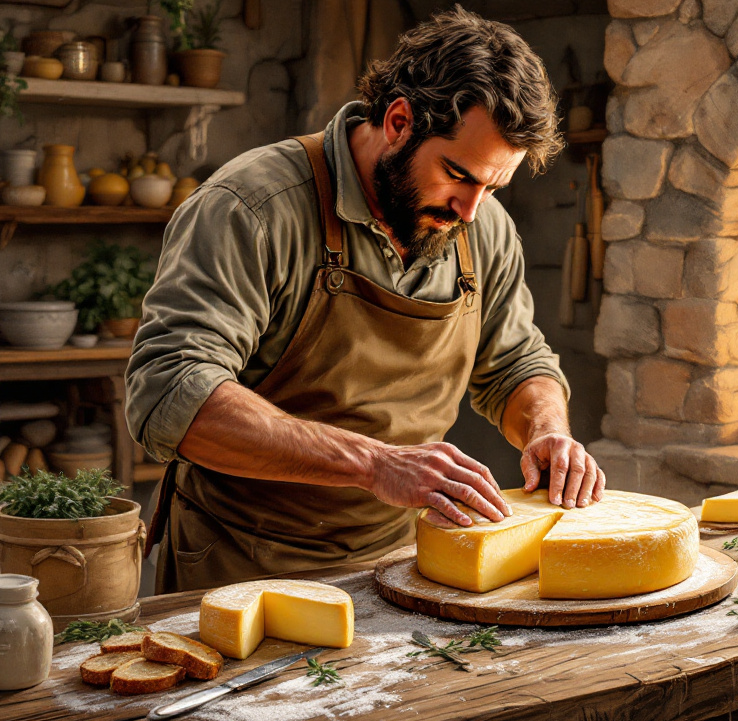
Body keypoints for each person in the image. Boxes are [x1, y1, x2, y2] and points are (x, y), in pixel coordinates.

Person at [126, 6, 605, 594]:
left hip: (407, 563)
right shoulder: (251, 208)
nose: (471, 209)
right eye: (457, 174)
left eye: (492, 186)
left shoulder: (484, 228)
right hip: (244, 564)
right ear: (399, 121)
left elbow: (514, 363)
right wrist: (376, 465)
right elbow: (171, 392)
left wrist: (546, 429)